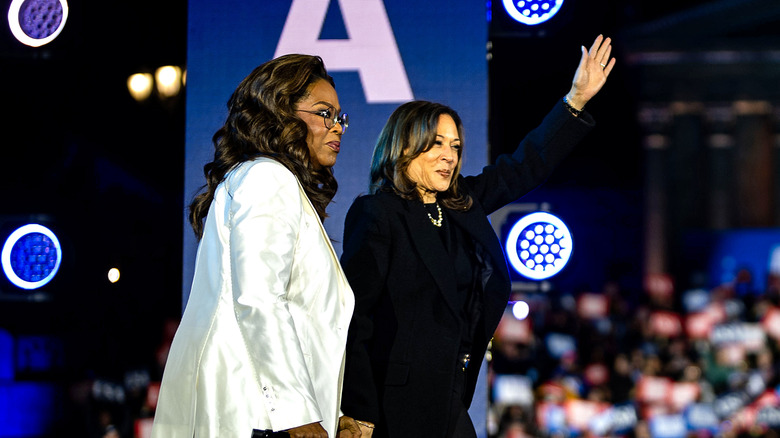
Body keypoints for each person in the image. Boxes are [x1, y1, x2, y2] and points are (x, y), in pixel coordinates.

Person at [339, 35, 616, 437]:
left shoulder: (460, 203)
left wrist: (574, 100)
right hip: (392, 405)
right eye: (435, 144)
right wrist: (358, 409)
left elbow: (525, 165)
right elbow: (354, 318)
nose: (449, 155)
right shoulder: (378, 212)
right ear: (403, 150)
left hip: (450, 398)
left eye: (454, 145)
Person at [151, 54, 360, 438]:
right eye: (324, 113)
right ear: (281, 113)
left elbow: (300, 327)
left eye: (340, 117)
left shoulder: (265, 180)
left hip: (263, 411)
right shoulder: (267, 178)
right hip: (253, 414)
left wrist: (333, 412)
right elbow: (259, 299)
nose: (338, 127)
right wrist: (299, 414)